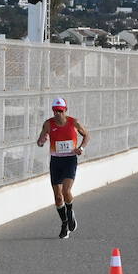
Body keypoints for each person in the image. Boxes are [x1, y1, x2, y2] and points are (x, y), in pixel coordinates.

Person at [36, 97, 91, 239]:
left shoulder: (74, 122)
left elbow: (87, 135)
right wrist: (42, 141)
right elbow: (40, 141)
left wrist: (81, 148)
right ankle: (64, 223)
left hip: (70, 160)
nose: (58, 114)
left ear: (65, 110)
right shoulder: (48, 124)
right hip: (55, 162)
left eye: (60, 111)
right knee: (58, 197)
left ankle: (70, 212)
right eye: (55, 111)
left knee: (66, 191)